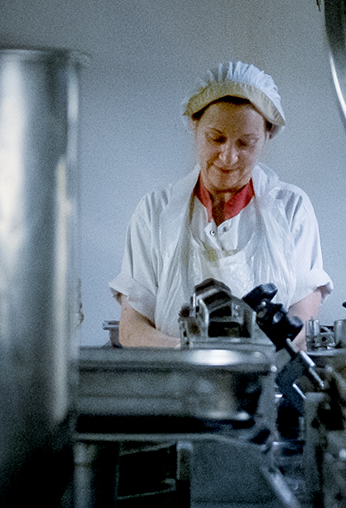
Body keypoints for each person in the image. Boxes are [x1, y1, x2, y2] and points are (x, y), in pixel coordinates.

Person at [111, 62, 332, 347]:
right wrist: (190, 353)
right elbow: (132, 328)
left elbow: (300, 322)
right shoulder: (154, 211)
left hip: (264, 383)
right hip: (178, 381)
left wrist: (248, 361)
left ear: (267, 136)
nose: (227, 157)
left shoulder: (291, 209)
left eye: (245, 143)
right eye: (216, 138)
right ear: (194, 124)